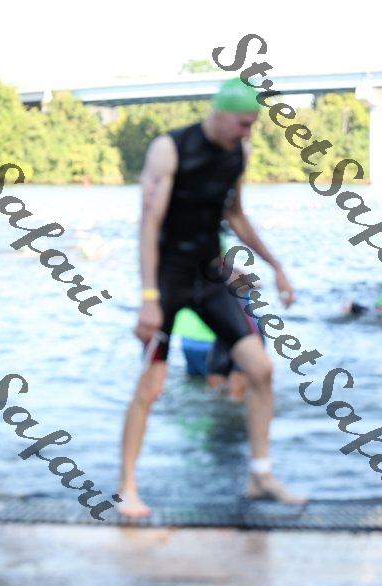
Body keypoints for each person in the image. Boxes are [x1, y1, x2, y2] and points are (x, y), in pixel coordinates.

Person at [118, 78, 307, 517]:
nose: (247, 132)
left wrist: (276, 265)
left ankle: (260, 475)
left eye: (252, 124)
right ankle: (127, 486)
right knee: (151, 386)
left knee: (260, 369)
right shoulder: (170, 149)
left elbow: (235, 215)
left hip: (210, 274)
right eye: (243, 123)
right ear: (219, 114)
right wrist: (149, 297)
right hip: (168, 280)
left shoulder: (238, 153)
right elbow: (148, 226)